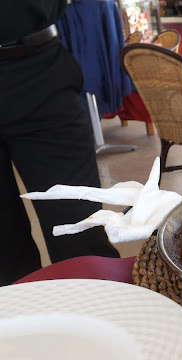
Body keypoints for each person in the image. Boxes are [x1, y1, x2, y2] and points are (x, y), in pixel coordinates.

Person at [0, 0, 120, 286]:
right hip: (35, 59)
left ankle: (102, 310)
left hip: (34, 65)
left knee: (78, 230)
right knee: (3, 252)